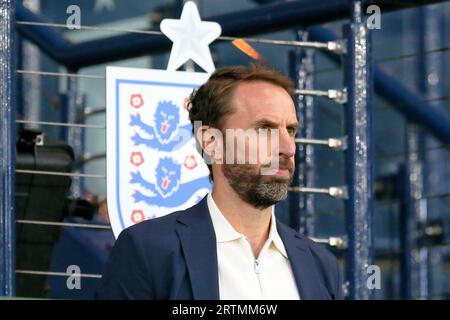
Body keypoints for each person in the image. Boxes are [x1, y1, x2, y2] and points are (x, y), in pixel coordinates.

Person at [96, 65, 343, 300]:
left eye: (290, 130)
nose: (287, 148)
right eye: (264, 129)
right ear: (211, 142)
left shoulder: (320, 264)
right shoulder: (149, 250)